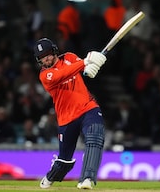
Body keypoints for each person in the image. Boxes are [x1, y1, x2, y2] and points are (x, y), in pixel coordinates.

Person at [33, 38, 107, 189]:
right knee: (64, 162)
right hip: (66, 118)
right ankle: (50, 177)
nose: (45, 59)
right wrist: (86, 62)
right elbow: (63, 74)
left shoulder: (69, 57)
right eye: (42, 57)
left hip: (88, 108)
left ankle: (87, 178)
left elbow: (83, 69)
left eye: (47, 54)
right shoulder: (45, 76)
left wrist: (90, 68)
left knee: (95, 137)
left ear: (54, 51)